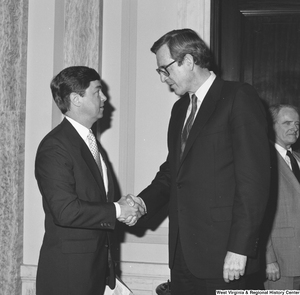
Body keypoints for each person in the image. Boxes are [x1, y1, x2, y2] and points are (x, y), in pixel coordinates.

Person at [128, 28, 270, 294]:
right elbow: (173, 172)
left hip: (226, 257)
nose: (163, 79)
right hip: (183, 257)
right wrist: (143, 203)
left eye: (165, 69)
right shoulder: (180, 109)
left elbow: (254, 182)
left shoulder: (238, 97)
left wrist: (240, 248)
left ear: (189, 61)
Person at [35, 66, 145, 295]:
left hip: (96, 273)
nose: (105, 97)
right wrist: (117, 210)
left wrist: (122, 208)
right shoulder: (55, 146)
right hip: (69, 277)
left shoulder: (87, 141)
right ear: (76, 99)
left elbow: (95, 199)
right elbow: (65, 210)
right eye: (97, 91)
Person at [264, 104, 300, 290]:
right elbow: (259, 214)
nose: (294, 128)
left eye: (297, 123)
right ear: (271, 126)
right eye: (287, 123)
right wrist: (269, 259)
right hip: (281, 263)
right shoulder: (263, 160)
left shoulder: (298, 159)